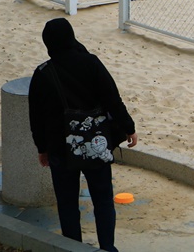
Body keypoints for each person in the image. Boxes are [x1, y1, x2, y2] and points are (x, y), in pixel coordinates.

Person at [28, 18, 137, 252]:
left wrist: (42, 149)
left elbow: (35, 117)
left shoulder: (42, 73)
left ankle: (73, 247)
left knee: (67, 204)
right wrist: (128, 127)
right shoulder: (91, 63)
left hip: (59, 149)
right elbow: (112, 99)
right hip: (95, 145)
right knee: (103, 200)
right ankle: (107, 247)